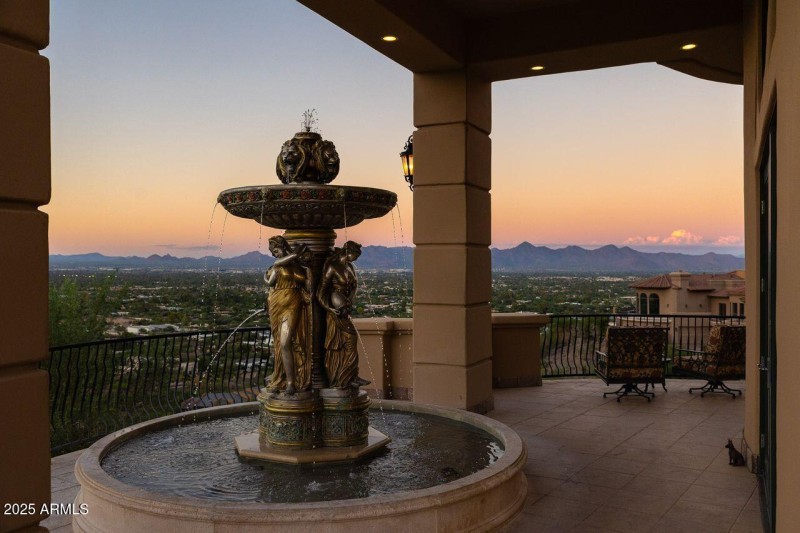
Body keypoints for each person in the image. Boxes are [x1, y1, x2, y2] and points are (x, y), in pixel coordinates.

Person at [317, 241, 370, 389]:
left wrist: (349, 299)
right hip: (335, 312)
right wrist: (329, 308)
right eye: (355, 255)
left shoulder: (350, 267)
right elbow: (321, 291)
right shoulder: (332, 267)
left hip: (344, 308)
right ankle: (343, 377)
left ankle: (350, 375)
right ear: (348, 251)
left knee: (350, 342)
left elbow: (354, 285)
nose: (356, 259)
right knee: (346, 341)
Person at [265, 236, 312, 394]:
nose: (274, 254)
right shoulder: (278, 264)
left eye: (276, 250)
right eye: (273, 252)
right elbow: (270, 282)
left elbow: (309, 288)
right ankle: (282, 377)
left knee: (285, 342)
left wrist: (309, 270)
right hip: (277, 303)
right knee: (279, 341)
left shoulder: (299, 268)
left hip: (293, 303)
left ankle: (292, 382)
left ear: (282, 246)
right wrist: (299, 250)